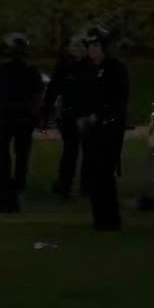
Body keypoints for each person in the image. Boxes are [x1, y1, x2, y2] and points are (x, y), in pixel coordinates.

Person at [0, 32, 43, 213]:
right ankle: (17, 182)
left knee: (3, 154)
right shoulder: (30, 72)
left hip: (6, 116)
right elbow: (36, 96)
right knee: (21, 152)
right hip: (21, 116)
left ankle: (7, 185)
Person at [79, 28, 129, 231]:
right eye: (89, 46)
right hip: (91, 128)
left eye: (95, 46)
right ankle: (99, 217)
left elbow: (118, 98)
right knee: (93, 172)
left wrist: (99, 114)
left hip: (109, 127)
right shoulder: (87, 69)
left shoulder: (115, 69)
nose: (92, 50)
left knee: (105, 172)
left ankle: (110, 218)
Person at [43, 33, 91, 199]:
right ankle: (72, 185)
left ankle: (73, 184)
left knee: (76, 151)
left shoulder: (76, 67)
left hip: (79, 112)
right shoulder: (73, 67)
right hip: (73, 112)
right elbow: (53, 90)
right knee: (74, 150)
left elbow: (53, 90)